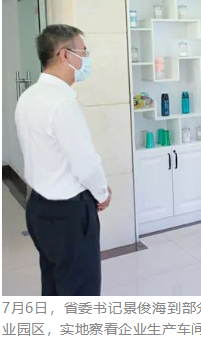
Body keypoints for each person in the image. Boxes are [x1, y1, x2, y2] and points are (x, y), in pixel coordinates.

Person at [15, 24, 112, 296]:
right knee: (79, 293)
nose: (86, 59)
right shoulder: (62, 103)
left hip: (39, 208)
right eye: (83, 52)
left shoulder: (28, 97)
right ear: (64, 54)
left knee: (54, 286)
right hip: (68, 214)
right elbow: (85, 163)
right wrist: (102, 193)